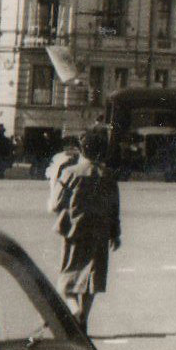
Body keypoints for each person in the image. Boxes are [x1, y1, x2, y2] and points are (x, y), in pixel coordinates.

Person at [51, 129, 122, 333]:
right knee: (91, 279)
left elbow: (56, 203)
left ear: (82, 150)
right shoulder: (108, 176)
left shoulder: (70, 173)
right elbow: (114, 207)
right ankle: (83, 318)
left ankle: (74, 312)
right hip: (100, 232)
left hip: (74, 231)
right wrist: (115, 234)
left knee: (67, 279)